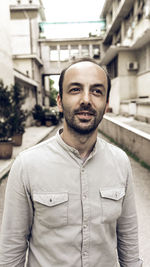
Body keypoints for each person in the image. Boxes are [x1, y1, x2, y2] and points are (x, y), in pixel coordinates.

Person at [0, 58, 142, 267]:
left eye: (96, 91)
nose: (86, 100)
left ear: (106, 103)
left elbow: (129, 242)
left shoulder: (120, 162)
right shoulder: (27, 165)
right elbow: (12, 250)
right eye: (75, 90)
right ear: (59, 101)